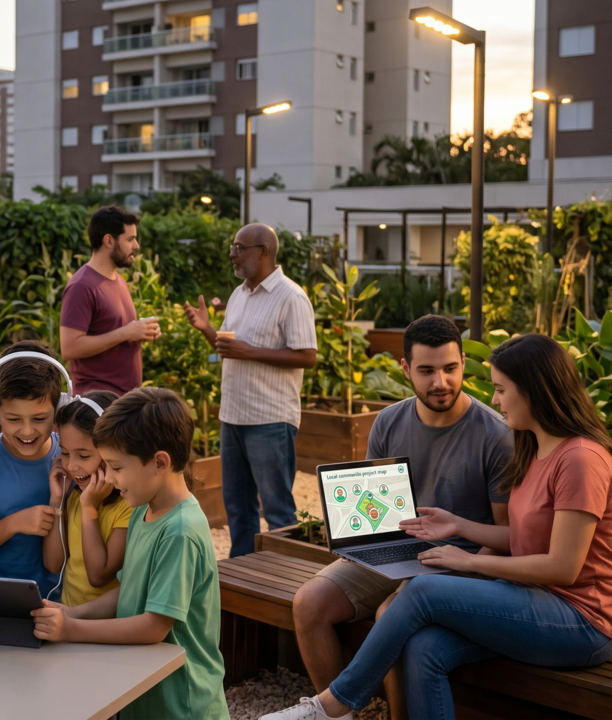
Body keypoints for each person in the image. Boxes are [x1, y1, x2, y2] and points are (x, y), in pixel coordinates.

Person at [261, 333, 612, 720]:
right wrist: (457, 524)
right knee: (424, 647)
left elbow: (563, 567)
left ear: (534, 390)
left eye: (500, 389)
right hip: (529, 600)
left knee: (423, 589)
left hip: (580, 622)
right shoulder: (537, 448)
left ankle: (333, 703)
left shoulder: (580, 458)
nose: (495, 399)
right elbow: (525, 537)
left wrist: (469, 561)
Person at [291, 315, 513, 718]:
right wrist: (351, 529)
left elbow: (505, 532)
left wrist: (465, 564)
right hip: (397, 550)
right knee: (309, 602)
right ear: (405, 368)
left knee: (391, 614)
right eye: (426, 371)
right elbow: (377, 507)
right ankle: (338, 714)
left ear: (463, 362)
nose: (440, 382)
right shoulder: (389, 421)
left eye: (450, 368)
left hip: (459, 564)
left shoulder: (495, 435)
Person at [32, 388, 228, 720]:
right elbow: (129, 590)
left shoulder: (180, 531)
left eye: (116, 467)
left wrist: (71, 630)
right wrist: (71, 613)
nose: (108, 477)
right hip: (145, 695)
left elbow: (154, 626)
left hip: (182, 703)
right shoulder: (142, 509)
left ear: (159, 463)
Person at [184, 223, 317, 557]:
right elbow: (229, 347)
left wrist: (249, 351)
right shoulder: (239, 293)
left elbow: (307, 356)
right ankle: (243, 578)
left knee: (277, 510)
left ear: (264, 252)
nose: (232, 253)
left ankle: (286, 576)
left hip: (270, 419)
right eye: (233, 246)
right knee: (238, 509)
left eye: (239, 247)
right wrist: (207, 329)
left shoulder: (291, 297)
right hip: (233, 416)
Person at [0, 340, 67, 595]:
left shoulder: (70, 457)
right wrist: (14, 524)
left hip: (60, 600)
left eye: (40, 419)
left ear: (60, 408)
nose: (26, 430)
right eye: (13, 419)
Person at [42, 390, 133, 607]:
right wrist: (57, 499)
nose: (72, 466)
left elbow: (98, 577)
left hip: (104, 628)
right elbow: (53, 563)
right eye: (64, 453)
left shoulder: (128, 507)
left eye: (84, 456)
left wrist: (89, 508)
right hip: (69, 619)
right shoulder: (75, 497)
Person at [60, 205, 161, 395]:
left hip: (122, 402)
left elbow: (115, 334)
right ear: (109, 240)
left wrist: (140, 332)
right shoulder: (82, 286)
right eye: (130, 239)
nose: (136, 246)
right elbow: (69, 348)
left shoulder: (119, 280)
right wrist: (125, 333)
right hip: (96, 405)